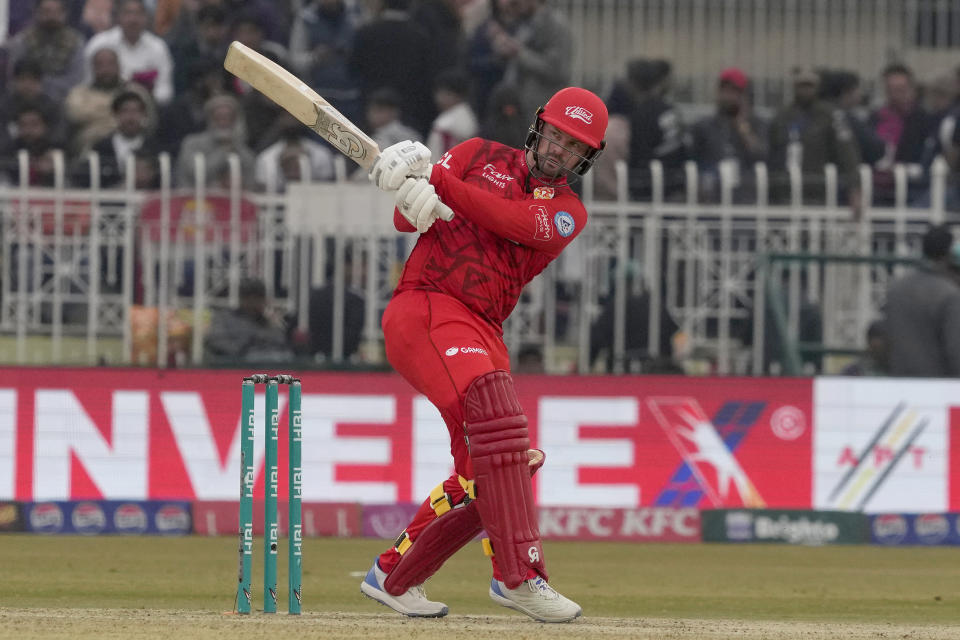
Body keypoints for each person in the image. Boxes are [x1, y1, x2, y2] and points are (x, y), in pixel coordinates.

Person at [358, 86, 608, 623]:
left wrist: (438, 181)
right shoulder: (476, 154)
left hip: (483, 329)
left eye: (575, 146)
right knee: (499, 428)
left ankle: (394, 576)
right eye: (558, 136)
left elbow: (513, 223)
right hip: (427, 305)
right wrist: (408, 192)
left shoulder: (567, 214)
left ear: (587, 158)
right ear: (539, 128)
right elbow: (408, 222)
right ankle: (519, 576)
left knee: (498, 466)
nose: (561, 151)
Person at [883, 224, 960, 377]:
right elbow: (955, 350)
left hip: (898, 384)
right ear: (947, 255)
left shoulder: (896, 289)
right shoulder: (949, 295)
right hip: (937, 388)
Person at [690, 67, 767, 203]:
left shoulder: (756, 124)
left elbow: (760, 155)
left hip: (745, 197)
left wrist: (742, 125)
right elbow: (694, 159)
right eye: (724, 91)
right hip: (713, 196)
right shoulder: (704, 126)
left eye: (734, 92)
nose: (728, 96)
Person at [84, 0, 175, 106]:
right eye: (128, 13)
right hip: (103, 105)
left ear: (146, 18)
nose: (133, 19)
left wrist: (142, 99)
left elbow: (165, 90)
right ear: (118, 17)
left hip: (147, 108)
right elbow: (86, 83)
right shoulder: (99, 43)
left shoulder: (158, 47)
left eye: (138, 14)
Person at [203, 277, 294, 364]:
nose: (253, 301)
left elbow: (281, 343)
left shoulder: (267, 322)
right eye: (249, 297)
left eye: (258, 298)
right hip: (237, 364)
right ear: (242, 298)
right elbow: (214, 341)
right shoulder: (224, 317)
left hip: (269, 364)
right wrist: (244, 347)